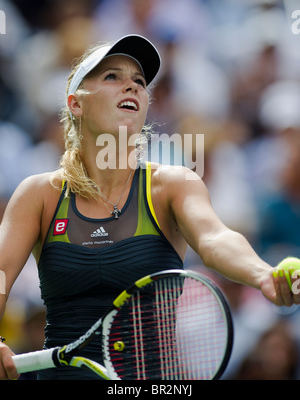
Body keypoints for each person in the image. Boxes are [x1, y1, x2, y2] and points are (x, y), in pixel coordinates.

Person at [0, 34, 299, 380]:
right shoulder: (39, 194)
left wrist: (261, 273)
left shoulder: (173, 185)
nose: (131, 86)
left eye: (139, 82)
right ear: (75, 103)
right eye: (112, 76)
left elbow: (215, 239)